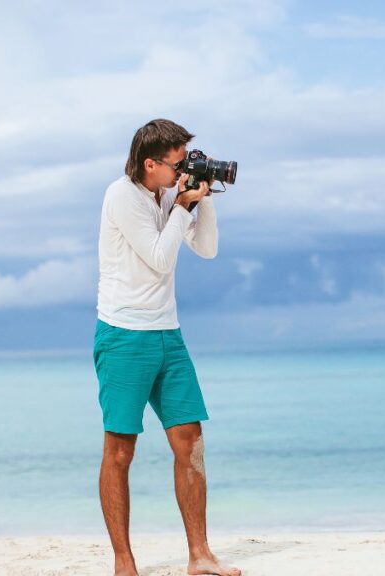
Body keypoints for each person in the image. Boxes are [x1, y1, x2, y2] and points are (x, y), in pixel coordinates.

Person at [93, 119, 240, 576]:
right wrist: (181, 205)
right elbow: (158, 259)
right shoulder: (121, 195)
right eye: (177, 165)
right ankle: (124, 562)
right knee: (120, 450)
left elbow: (209, 250)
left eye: (187, 163)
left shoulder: (168, 194)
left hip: (167, 334)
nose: (183, 172)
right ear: (148, 163)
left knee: (190, 442)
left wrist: (203, 201)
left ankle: (200, 556)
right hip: (124, 336)